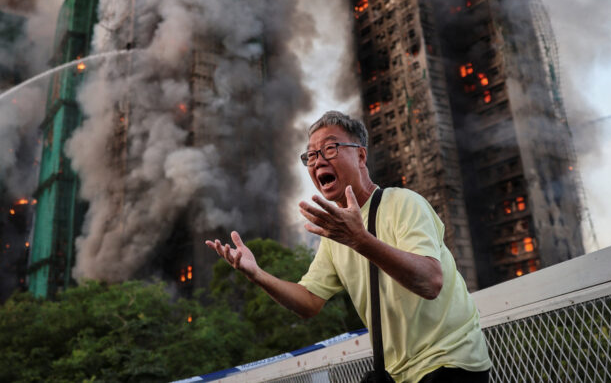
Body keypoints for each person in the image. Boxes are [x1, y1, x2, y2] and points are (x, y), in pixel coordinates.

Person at [206, 111, 492, 382]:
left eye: (330, 149)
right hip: (397, 374)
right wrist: (256, 274)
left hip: (450, 362)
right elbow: (309, 302)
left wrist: (360, 240)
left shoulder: (403, 203)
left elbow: (430, 282)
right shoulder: (336, 235)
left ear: (361, 155)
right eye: (311, 155)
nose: (318, 161)